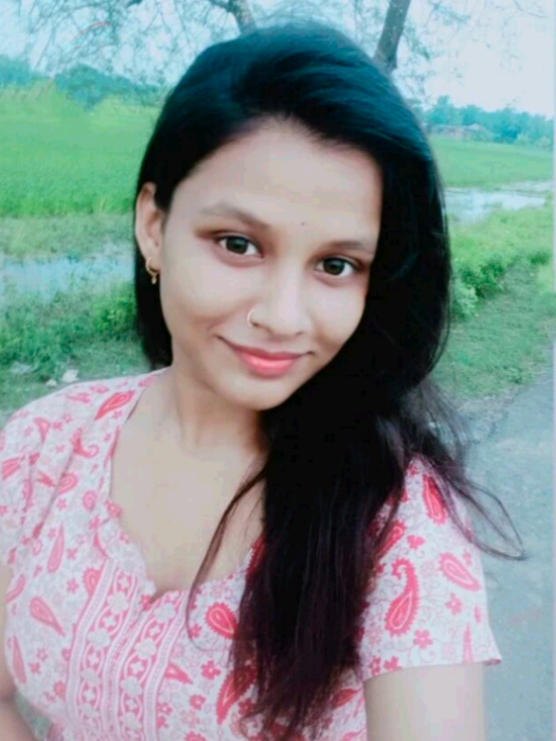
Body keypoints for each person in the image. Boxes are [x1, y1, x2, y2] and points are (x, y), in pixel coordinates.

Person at [0, 19, 526, 741]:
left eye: (336, 265)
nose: (282, 316)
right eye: (239, 244)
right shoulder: (44, 446)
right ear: (153, 224)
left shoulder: (397, 525)